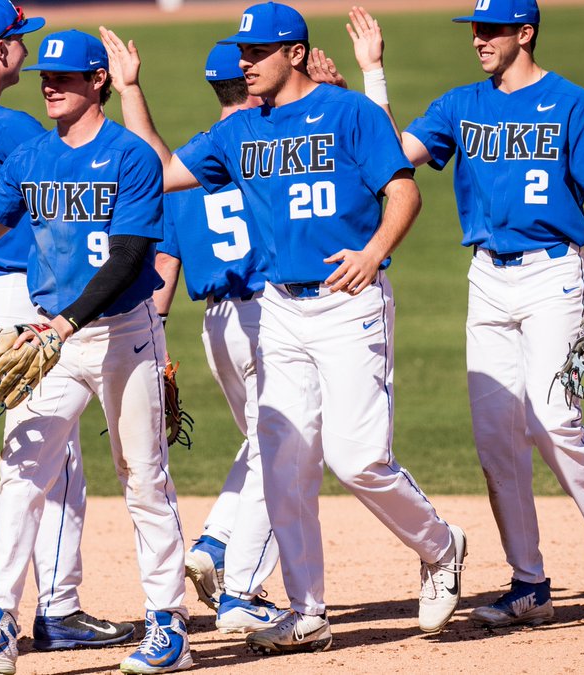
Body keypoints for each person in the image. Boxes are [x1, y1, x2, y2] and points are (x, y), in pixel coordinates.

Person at [100, 2, 467, 655]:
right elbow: (156, 170)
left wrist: (375, 250)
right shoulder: (240, 131)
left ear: (295, 53)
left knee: (359, 458)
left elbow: (404, 191)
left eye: (256, 53)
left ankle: (441, 546)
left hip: (349, 304)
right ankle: (308, 609)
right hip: (278, 312)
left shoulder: (349, 113)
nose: (245, 64)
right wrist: (129, 91)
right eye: (242, 54)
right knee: (284, 462)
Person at [0, 29, 192, 675]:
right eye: (45, 78)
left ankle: (168, 625)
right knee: (20, 473)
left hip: (123, 333)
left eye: (66, 77)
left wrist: (61, 326)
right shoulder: (31, 155)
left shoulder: (130, 156)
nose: (52, 86)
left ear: (98, 83)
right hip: (50, 334)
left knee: (142, 477)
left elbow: (128, 258)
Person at [357, 0, 584, 627]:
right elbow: (390, 161)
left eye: (491, 30)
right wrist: (373, 76)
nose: (479, 39)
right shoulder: (461, 106)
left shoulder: (572, 103)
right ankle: (529, 582)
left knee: (554, 416)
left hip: (555, 276)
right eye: (475, 29)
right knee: (496, 438)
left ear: (525, 33)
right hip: (487, 278)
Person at [148, 43, 284, 635]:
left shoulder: (188, 167)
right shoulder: (269, 154)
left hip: (215, 326)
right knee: (286, 447)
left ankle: (214, 543)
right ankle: (236, 570)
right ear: (254, 86)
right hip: (270, 316)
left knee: (261, 439)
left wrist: (151, 347)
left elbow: (164, 268)